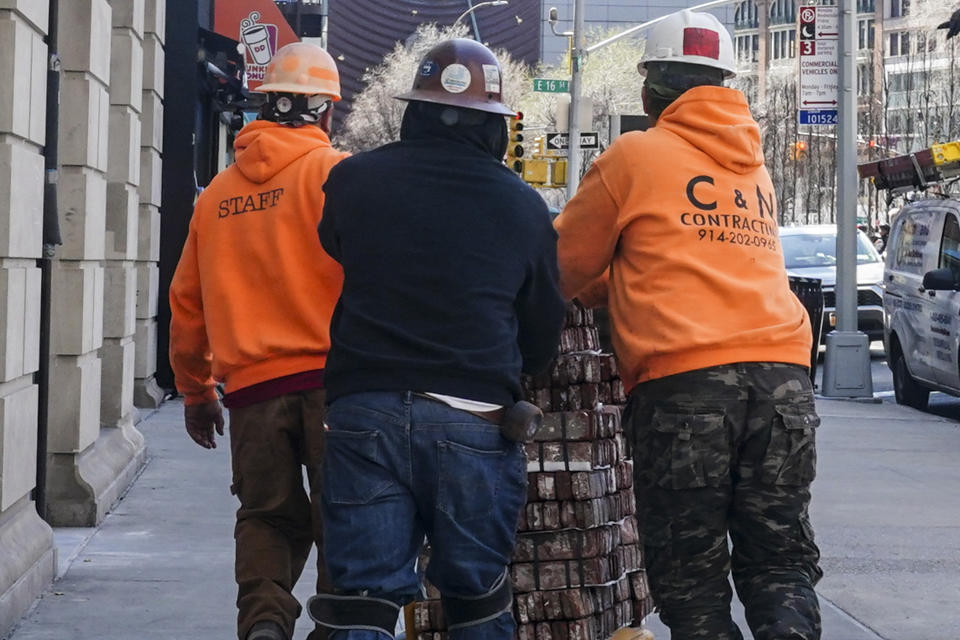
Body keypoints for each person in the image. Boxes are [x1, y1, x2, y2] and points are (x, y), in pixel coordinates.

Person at [553, 10, 823, 640]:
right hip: (784, 381)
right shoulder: (752, 164)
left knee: (691, 578)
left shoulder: (634, 155)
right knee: (780, 562)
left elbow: (563, 268)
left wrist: (612, 285)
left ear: (651, 91)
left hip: (686, 384)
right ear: (725, 85)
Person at [306, 38, 566, 640]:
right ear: (496, 127)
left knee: (363, 598)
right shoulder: (524, 208)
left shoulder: (353, 182)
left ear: (413, 111)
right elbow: (541, 326)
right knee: (476, 595)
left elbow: (336, 247)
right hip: (473, 416)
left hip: (364, 408)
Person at [168, 42, 348, 640]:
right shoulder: (337, 175)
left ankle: (266, 622)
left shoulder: (217, 196)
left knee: (266, 516)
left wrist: (196, 392)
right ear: (325, 112)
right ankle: (338, 626)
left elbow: (187, 304)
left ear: (265, 105)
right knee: (343, 516)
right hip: (334, 388)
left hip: (250, 392)